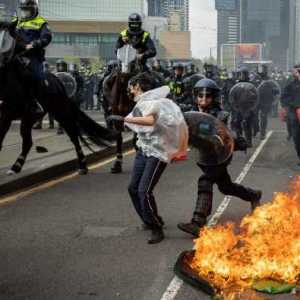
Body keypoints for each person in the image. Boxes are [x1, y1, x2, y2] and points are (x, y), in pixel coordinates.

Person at [177, 78, 262, 237]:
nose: (203, 99)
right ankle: (253, 195)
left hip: (219, 156)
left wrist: (236, 140)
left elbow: (229, 132)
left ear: (214, 97)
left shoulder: (222, 115)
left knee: (205, 181)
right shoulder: (189, 113)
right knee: (225, 186)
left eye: (207, 96)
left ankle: (198, 222)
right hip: (204, 156)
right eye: (200, 96)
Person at [110, 73, 188, 244]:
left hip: (157, 153)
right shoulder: (144, 101)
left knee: (144, 191)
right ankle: (149, 219)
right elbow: (139, 125)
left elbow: (150, 120)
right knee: (133, 189)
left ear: (138, 86)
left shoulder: (154, 101)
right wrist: (123, 122)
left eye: (131, 86)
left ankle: (156, 227)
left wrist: (123, 118)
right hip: (143, 150)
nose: (129, 90)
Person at [8, 0, 52, 117]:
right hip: (16, 54)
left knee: (35, 76)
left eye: (27, 10)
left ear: (34, 10)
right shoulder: (17, 22)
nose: (25, 13)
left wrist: (35, 44)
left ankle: (35, 103)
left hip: (32, 55)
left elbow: (46, 37)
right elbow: (9, 34)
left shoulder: (41, 23)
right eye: (23, 10)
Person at [281, 64, 300, 165]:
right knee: (296, 136)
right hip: (294, 113)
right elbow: (284, 96)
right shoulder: (291, 84)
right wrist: (290, 105)